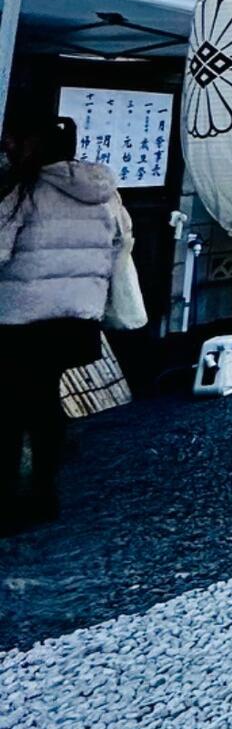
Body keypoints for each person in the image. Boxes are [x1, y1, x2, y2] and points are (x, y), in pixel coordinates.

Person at [0, 115, 133, 531]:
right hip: (77, 320)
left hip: (22, 318)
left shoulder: (24, 191)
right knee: (44, 400)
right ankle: (43, 489)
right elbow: (122, 243)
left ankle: (11, 499)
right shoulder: (104, 193)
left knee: (12, 407)